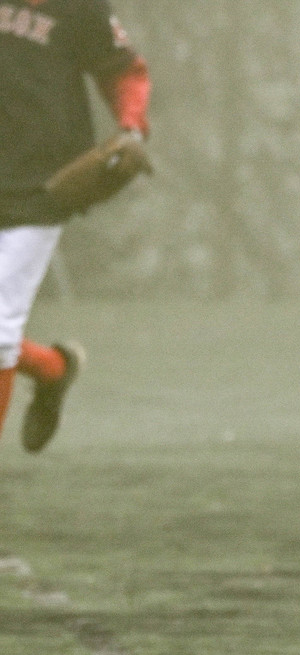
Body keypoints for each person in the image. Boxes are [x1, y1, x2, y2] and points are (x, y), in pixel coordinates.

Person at [0, 0, 150, 454]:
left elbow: (124, 70)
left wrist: (132, 128)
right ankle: (52, 369)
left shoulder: (80, 7)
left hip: (42, 181)